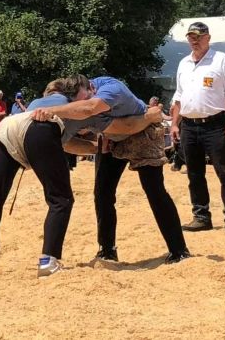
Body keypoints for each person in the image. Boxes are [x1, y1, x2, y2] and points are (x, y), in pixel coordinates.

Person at [0, 76, 163, 277]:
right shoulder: (79, 106)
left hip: (8, 125)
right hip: (41, 128)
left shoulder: (38, 103)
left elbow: (64, 143)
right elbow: (120, 125)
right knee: (61, 199)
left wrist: (94, 148)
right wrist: (148, 118)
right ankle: (49, 261)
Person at [31, 76, 189, 264]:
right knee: (102, 194)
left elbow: (119, 122)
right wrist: (94, 147)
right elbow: (66, 142)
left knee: (154, 191)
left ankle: (179, 250)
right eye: (76, 104)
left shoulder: (111, 88)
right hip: (111, 138)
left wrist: (46, 110)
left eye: (85, 98)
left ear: (92, 87)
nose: (81, 106)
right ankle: (107, 250)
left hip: (141, 130)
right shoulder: (73, 106)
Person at [169, 21, 225, 232]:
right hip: (189, 126)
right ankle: (201, 216)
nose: (194, 41)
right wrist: (175, 124)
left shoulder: (221, 60)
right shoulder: (183, 63)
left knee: (224, 170)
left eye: (198, 37)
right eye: (191, 37)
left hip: (215, 124)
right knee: (194, 173)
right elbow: (178, 97)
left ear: (208, 38)